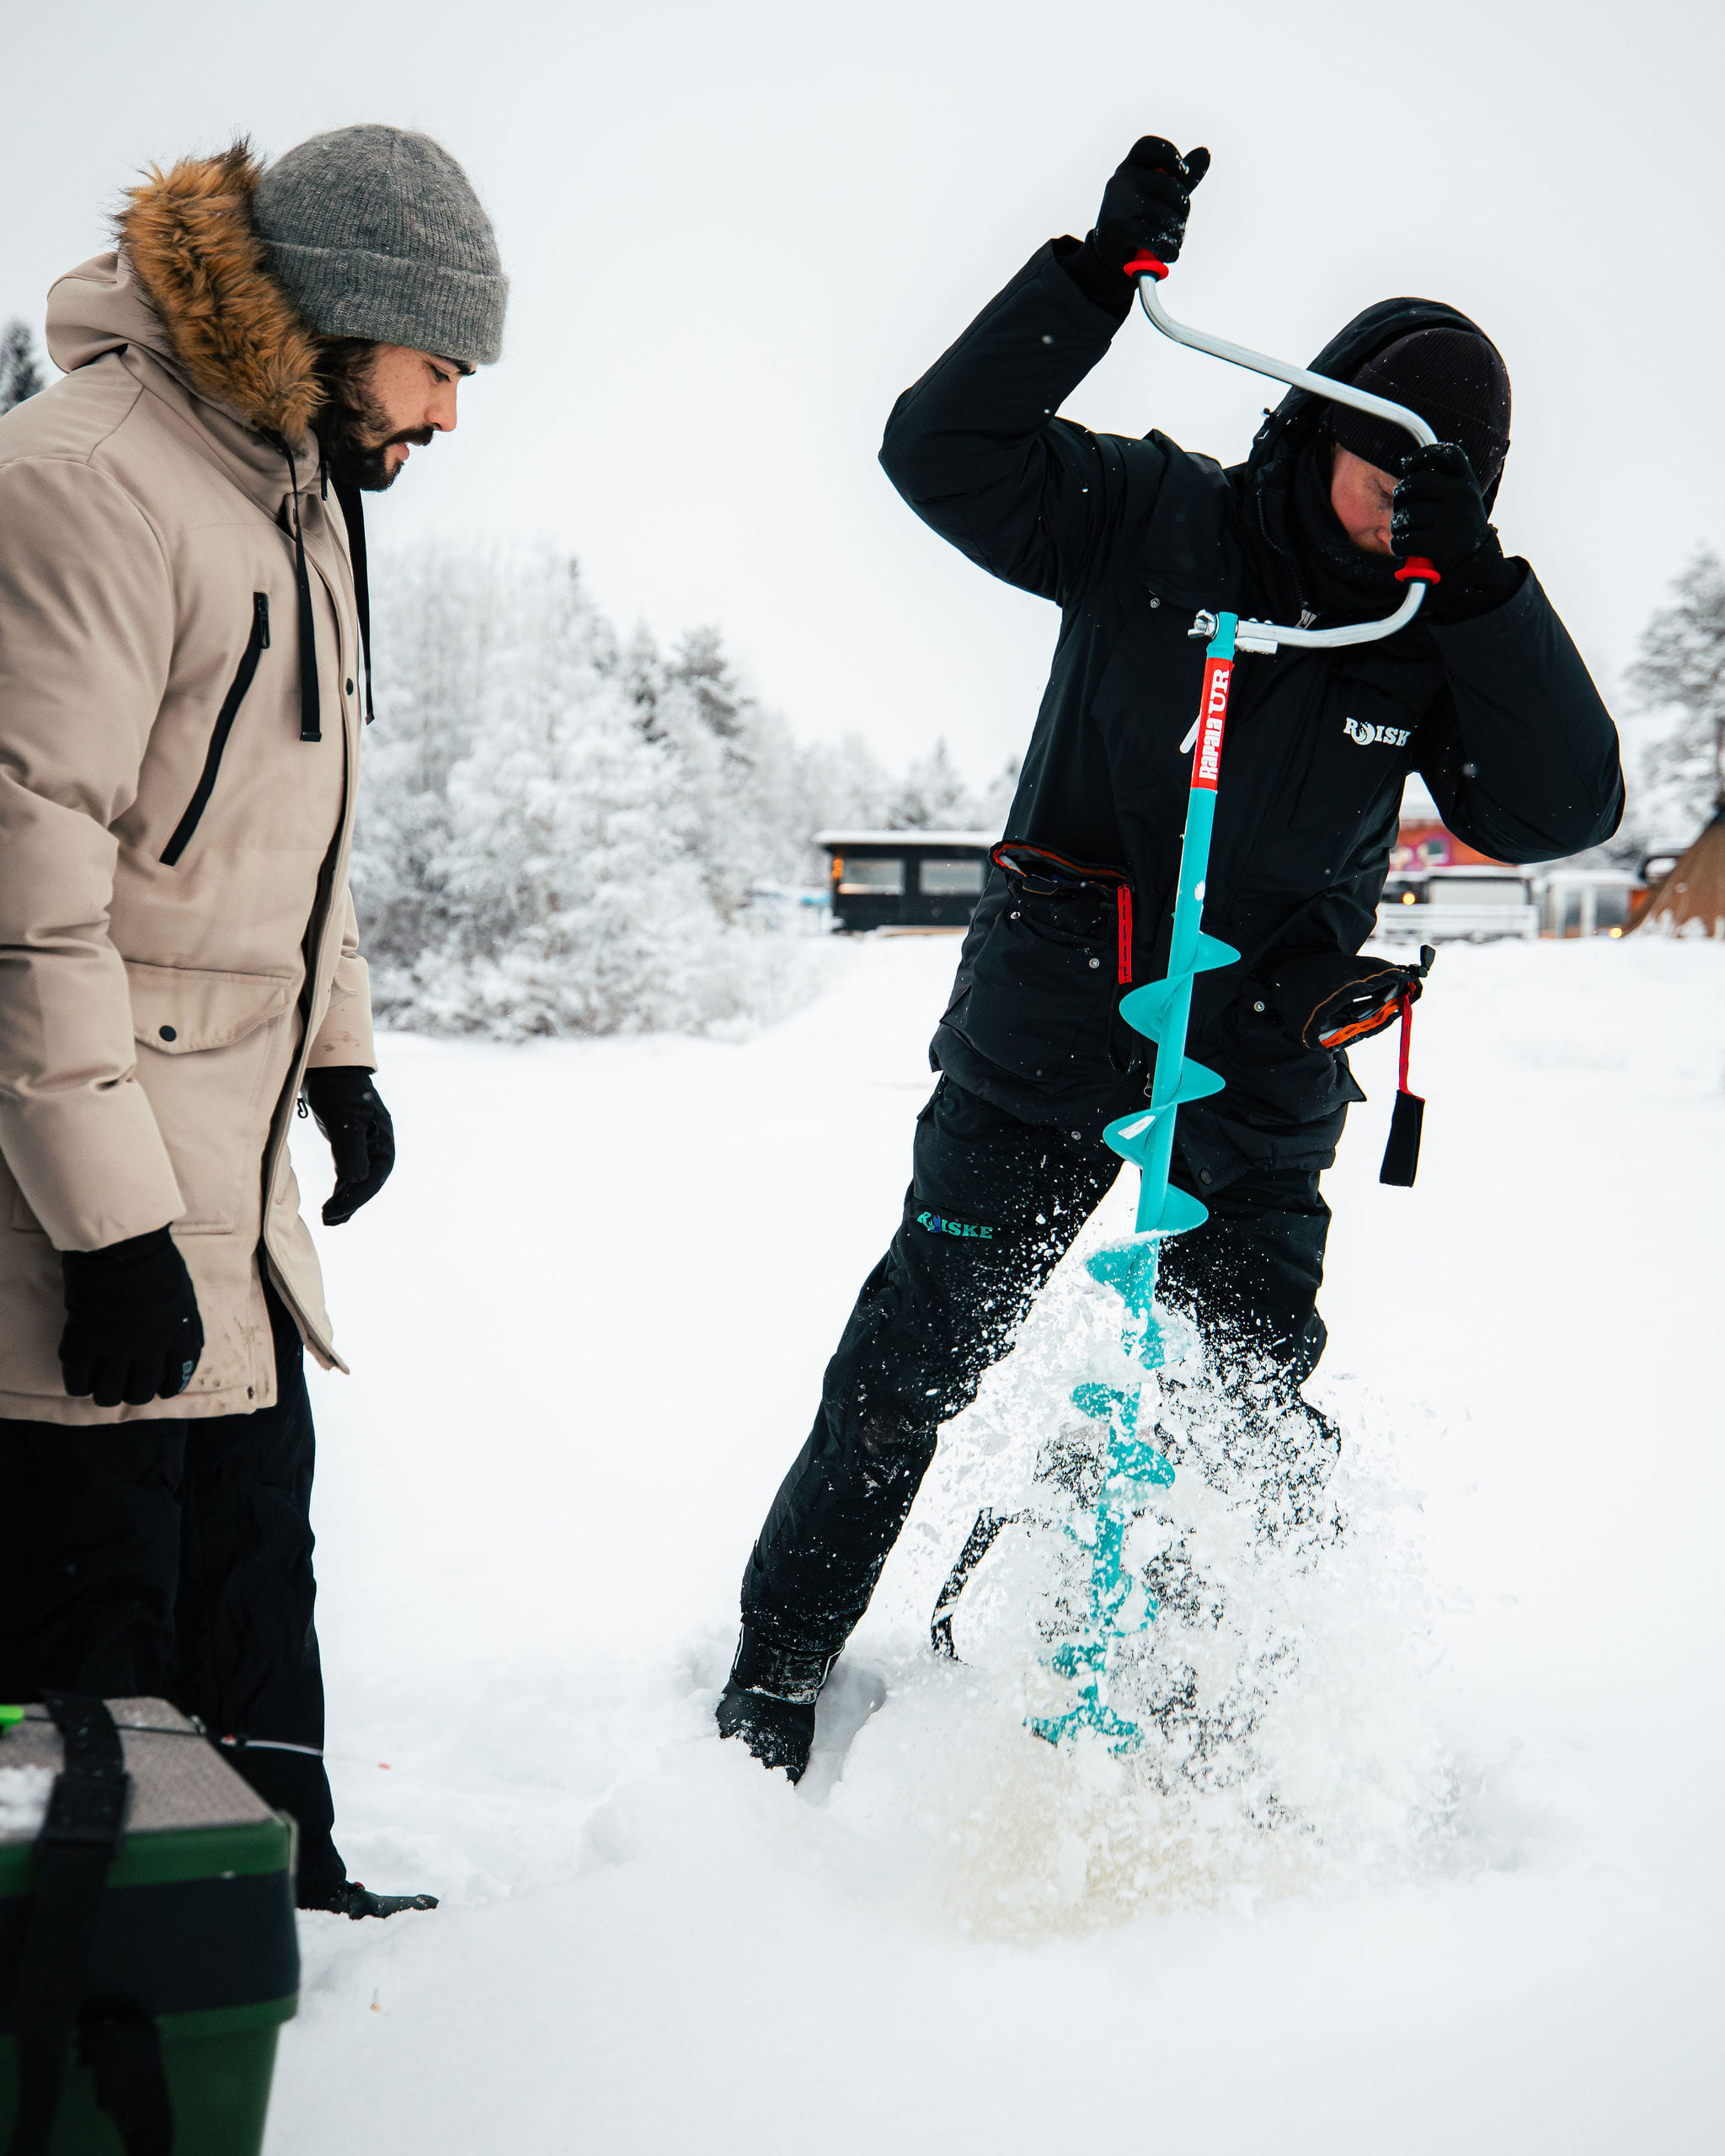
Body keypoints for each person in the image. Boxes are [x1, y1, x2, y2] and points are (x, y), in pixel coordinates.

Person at [718, 136, 1625, 1780]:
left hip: (1258, 1081)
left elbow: (1562, 810)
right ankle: (773, 1680)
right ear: (1321, 425)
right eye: (1386, 463)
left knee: (1243, 1413)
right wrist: (1089, 280)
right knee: (911, 1362)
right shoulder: (1149, 515)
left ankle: (1209, 1716)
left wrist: (1485, 589)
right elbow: (938, 451)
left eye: (1443, 484)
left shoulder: (1426, 632)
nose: (1399, 503)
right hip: (1049, 1042)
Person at [0, 127, 507, 1915]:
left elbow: (295, 831)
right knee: (96, 1621)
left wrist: (342, 1050)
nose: (448, 412)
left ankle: (284, 1904)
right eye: (436, 365)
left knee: (248, 1560)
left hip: (231, 1173)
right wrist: (108, 1227)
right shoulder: (86, 486)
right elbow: (23, 896)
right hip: (71, 1181)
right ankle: (113, 2006)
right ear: (339, 320)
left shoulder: (291, 499)